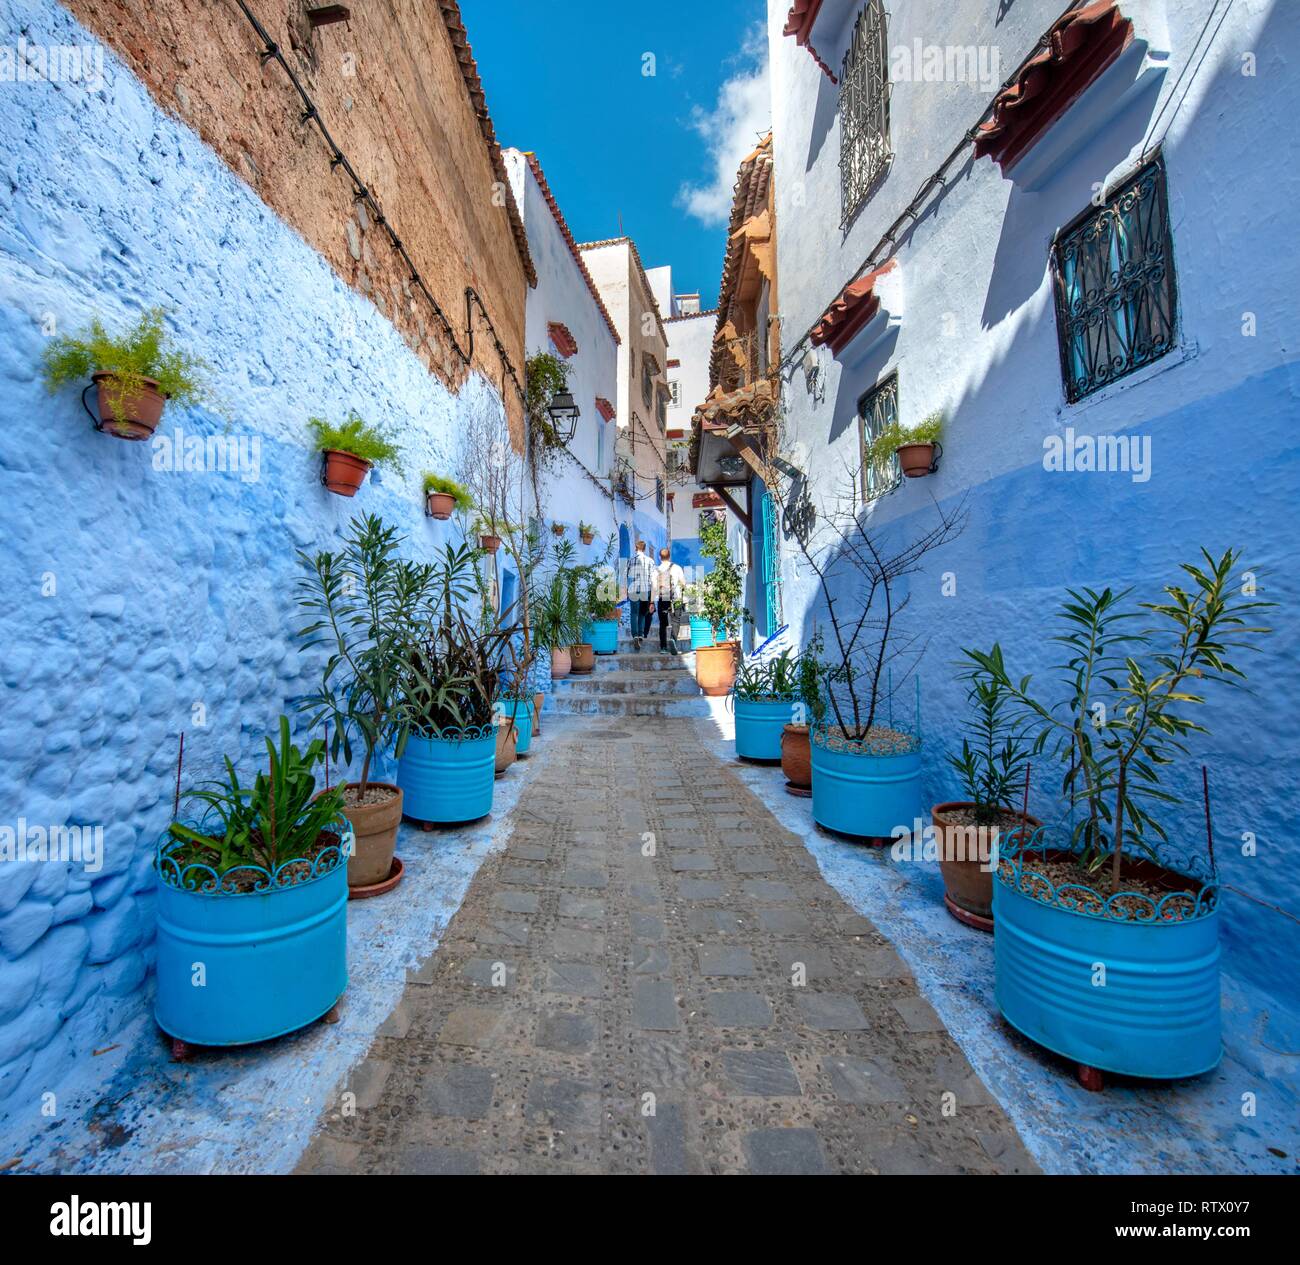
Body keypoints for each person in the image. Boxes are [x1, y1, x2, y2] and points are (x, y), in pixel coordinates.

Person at [653, 547, 687, 654]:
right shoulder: (677, 568)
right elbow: (683, 583)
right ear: (669, 556)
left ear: (659, 557)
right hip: (676, 598)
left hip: (663, 598)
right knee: (676, 621)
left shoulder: (656, 570)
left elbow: (654, 588)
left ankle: (663, 648)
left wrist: (651, 602)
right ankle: (673, 639)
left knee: (663, 624)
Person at [627, 540, 655, 652]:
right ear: (645, 548)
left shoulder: (631, 560)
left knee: (634, 613)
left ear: (635, 548)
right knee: (643, 613)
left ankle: (634, 635)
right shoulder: (650, 561)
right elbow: (653, 578)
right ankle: (640, 634)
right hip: (645, 589)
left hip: (634, 588)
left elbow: (626, 574)